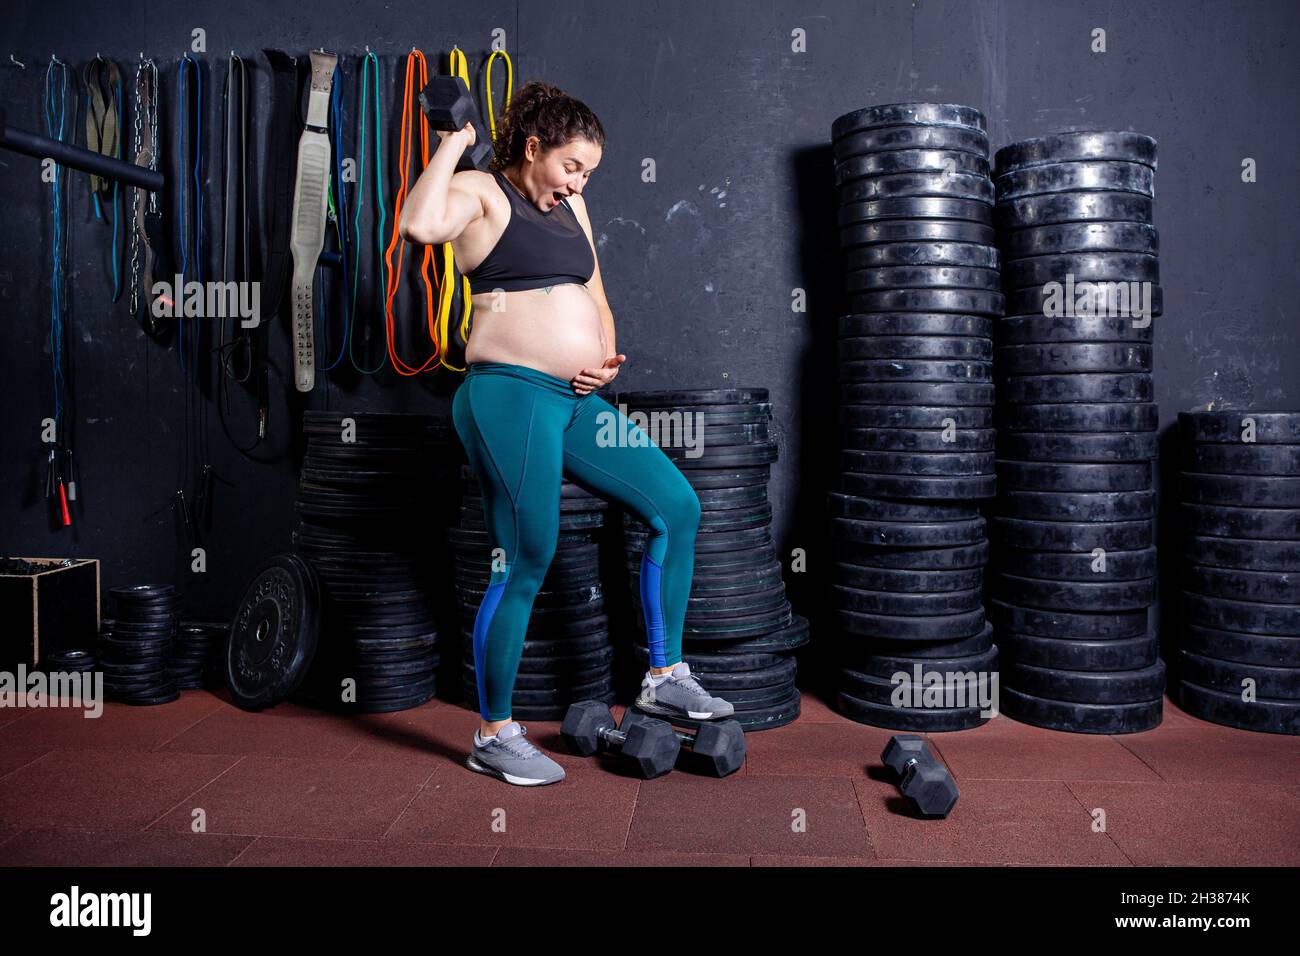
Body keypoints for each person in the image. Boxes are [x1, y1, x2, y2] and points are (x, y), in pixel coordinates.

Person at [398, 80, 734, 786]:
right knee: (526, 556)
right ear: (532, 148)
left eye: (589, 172)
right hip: (509, 397)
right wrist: (455, 142)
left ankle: (665, 674)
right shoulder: (482, 192)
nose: (580, 182)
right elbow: (419, 226)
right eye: (571, 166)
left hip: (577, 403)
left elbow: (598, 298)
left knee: (677, 506)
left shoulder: (572, 204)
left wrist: (604, 359)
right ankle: (493, 733)